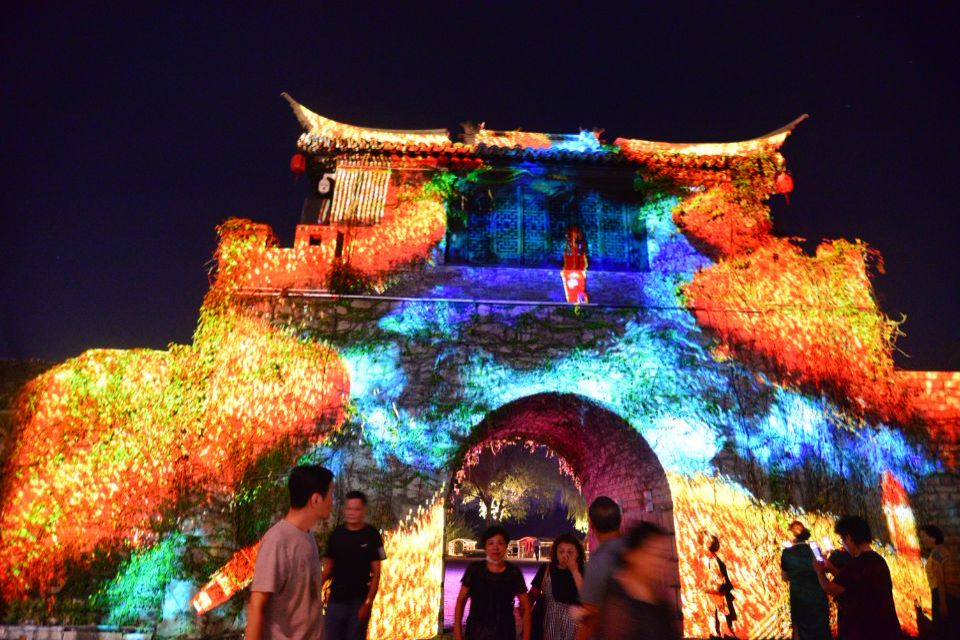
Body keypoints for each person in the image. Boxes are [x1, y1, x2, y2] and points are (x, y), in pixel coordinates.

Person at [245, 465, 334, 640]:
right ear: (315, 500)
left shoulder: (307, 536)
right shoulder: (277, 541)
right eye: (331, 494)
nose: (333, 500)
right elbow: (257, 605)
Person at [813, 515, 901, 639]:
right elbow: (853, 584)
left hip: (863, 630)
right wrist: (832, 568)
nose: (844, 545)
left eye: (842, 540)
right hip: (885, 628)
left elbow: (830, 588)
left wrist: (819, 571)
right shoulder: (878, 560)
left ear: (849, 538)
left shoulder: (857, 564)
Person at [595, 521, 681, 640]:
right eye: (654, 554)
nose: (660, 562)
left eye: (663, 556)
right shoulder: (616, 600)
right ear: (632, 555)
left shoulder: (660, 602)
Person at [322, 490, 386, 640]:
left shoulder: (372, 535)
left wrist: (368, 603)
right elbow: (327, 569)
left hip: (359, 602)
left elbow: (377, 574)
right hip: (336, 601)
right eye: (349, 508)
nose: (352, 513)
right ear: (344, 509)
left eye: (356, 509)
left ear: (364, 510)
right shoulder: (336, 535)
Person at [454, 525, 531, 640]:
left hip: (505, 633)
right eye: (491, 543)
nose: (495, 547)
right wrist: (458, 635)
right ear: (485, 547)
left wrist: (526, 637)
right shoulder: (474, 570)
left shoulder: (513, 573)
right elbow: (461, 602)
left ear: (506, 546)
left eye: (500, 543)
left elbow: (526, 607)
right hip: (476, 632)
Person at [576, 496, 624, 640]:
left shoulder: (599, 560)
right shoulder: (637, 549)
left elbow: (590, 617)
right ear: (619, 519)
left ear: (591, 524)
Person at [780, 521, 831, 640]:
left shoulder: (787, 553)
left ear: (792, 535)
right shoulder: (814, 548)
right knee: (822, 630)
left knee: (799, 630)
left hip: (799, 598)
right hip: (818, 596)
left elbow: (784, 577)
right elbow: (823, 566)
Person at [528, 533, 585, 640]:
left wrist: (574, 571)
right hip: (549, 624)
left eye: (570, 552)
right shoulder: (546, 569)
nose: (565, 555)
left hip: (575, 628)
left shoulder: (583, 571)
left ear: (577, 554)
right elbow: (533, 594)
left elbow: (587, 598)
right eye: (561, 552)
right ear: (556, 553)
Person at [919, 524, 958, 639]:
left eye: (924, 536)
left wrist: (942, 604)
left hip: (941, 595)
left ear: (933, 538)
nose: (922, 540)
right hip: (952, 595)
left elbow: (940, 581)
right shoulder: (945, 551)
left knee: (943, 630)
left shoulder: (936, 555)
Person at [699, 532, 738, 639]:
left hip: (716, 590)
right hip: (714, 590)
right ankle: (720, 634)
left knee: (719, 612)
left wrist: (719, 585)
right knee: (716, 613)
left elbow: (717, 576)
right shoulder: (708, 558)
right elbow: (712, 575)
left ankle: (724, 634)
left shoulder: (713, 558)